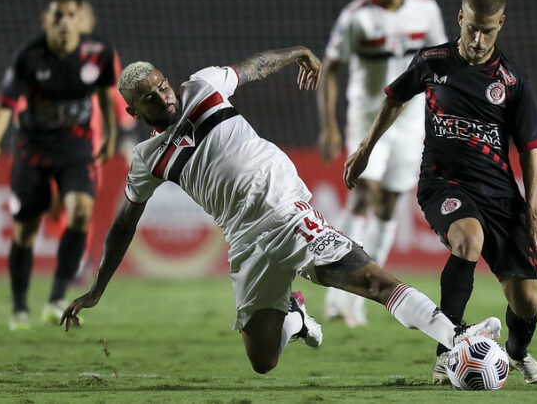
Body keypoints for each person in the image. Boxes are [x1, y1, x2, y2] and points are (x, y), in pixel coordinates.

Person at [60, 46, 501, 375]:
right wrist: (98, 288)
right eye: (149, 97)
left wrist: (296, 56)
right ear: (132, 110)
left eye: (161, 84)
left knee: (370, 280)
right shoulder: (147, 158)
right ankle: (296, 315)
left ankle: (456, 342)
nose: (163, 96)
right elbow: (123, 224)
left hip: (285, 211)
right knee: (263, 361)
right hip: (244, 239)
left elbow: (252, 67)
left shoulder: (202, 86)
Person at [343, 0, 537, 385]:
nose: (477, 39)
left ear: (501, 25)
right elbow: (394, 98)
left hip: (500, 195)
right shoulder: (433, 61)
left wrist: (534, 214)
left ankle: (517, 353)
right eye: (472, 27)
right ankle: (446, 354)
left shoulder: (513, 82)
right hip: (443, 184)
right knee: (467, 240)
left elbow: (530, 149)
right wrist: (365, 150)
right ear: (461, 18)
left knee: (526, 301)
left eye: (488, 31)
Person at [317, 0, 447, 327]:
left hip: (410, 120)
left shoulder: (426, 9)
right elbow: (331, 69)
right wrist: (329, 125)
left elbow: (443, 61)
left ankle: (361, 295)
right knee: (363, 197)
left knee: (389, 204)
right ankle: (335, 293)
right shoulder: (356, 16)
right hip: (368, 117)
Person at [0, 0, 118, 330]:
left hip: (76, 150)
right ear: (46, 21)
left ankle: (57, 298)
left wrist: (111, 134)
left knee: (81, 212)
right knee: (26, 230)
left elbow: (104, 94)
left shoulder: (98, 53)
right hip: (34, 151)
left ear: (78, 19)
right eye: (57, 16)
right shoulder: (29, 57)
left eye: (71, 15)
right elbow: (4, 104)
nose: (65, 22)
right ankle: (19, 309)